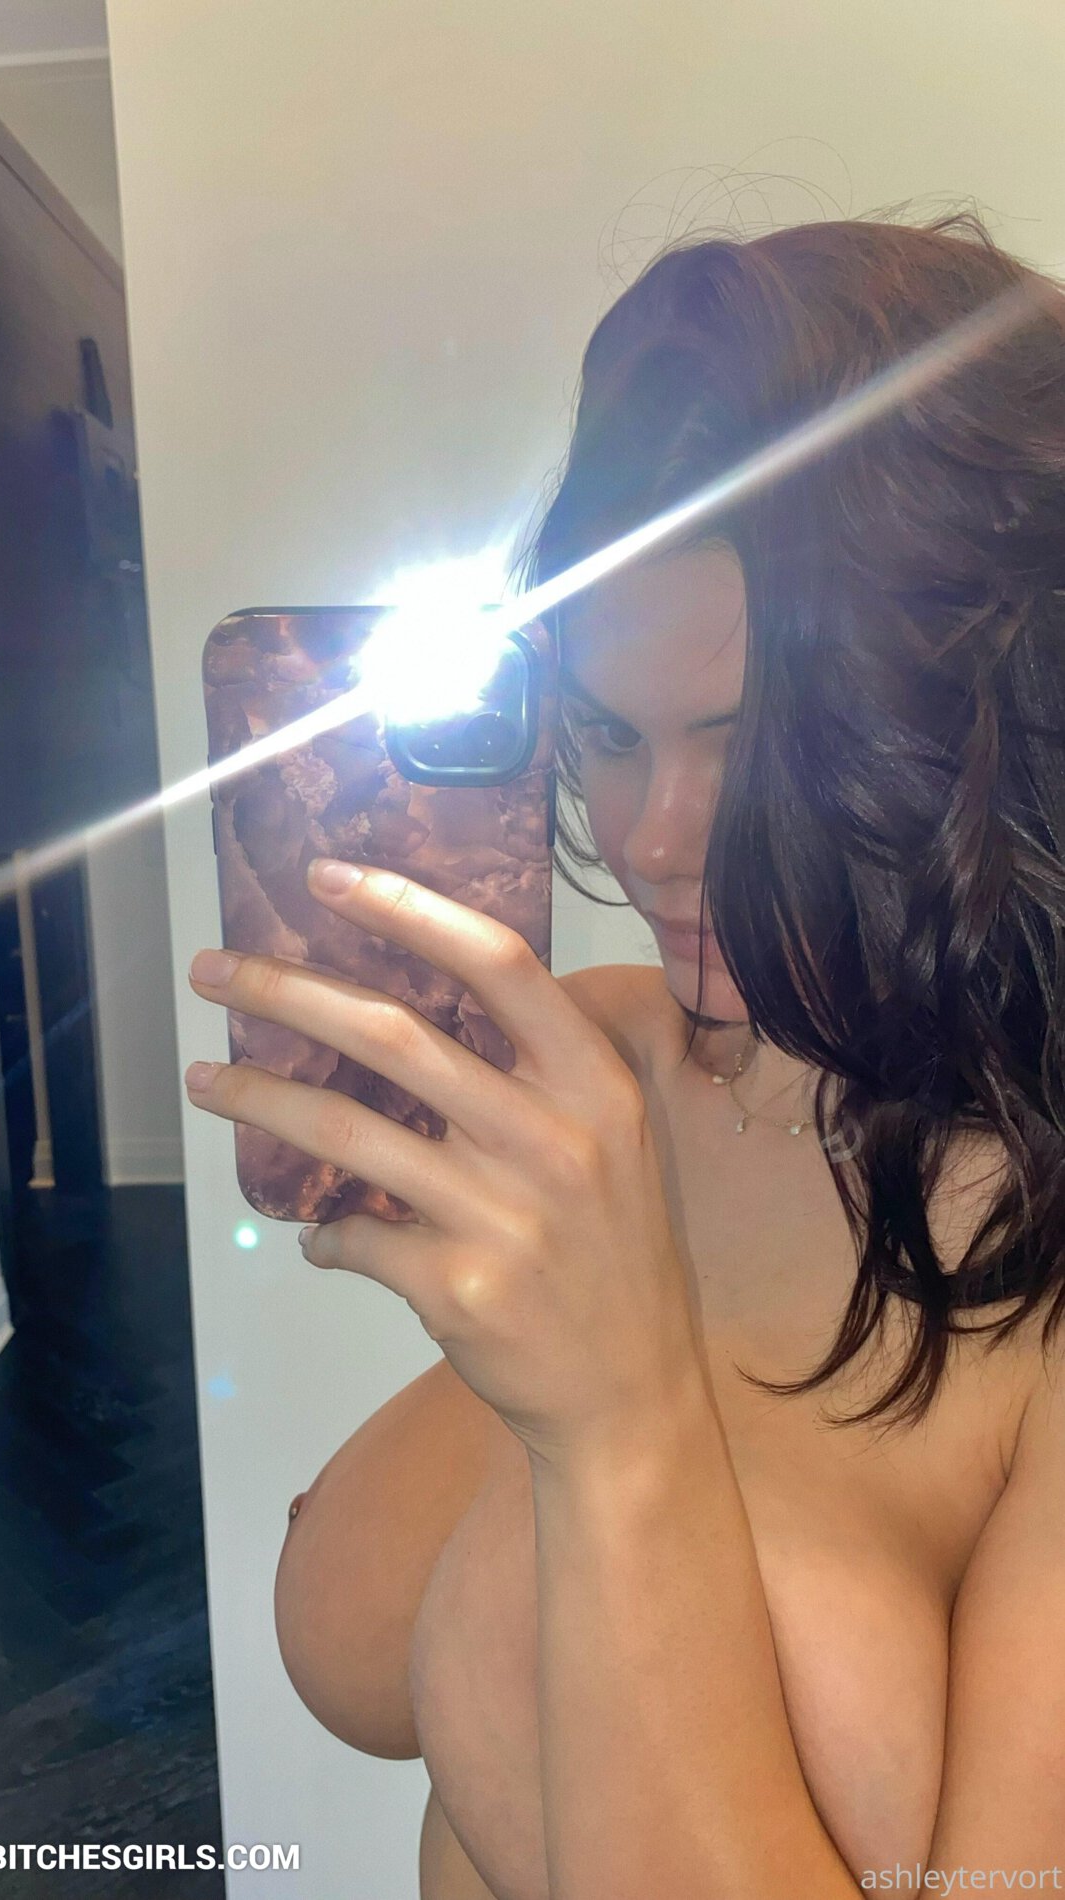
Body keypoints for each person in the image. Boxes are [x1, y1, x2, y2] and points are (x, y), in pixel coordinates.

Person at [188, 209, 1065, 1898]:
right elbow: (372, 1641)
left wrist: (618, 1423)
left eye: (755, 748)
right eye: (607, 734)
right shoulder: (607, 1074)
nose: (653, 841)